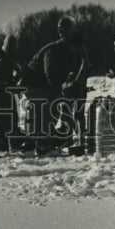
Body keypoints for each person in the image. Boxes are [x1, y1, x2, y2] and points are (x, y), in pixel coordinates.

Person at [25, 16, 77, 153]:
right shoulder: (54, 49)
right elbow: (50, 74)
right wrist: (60, 89)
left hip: (41, 86)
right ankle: (43, 145)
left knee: (50, 109)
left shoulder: (64, 50)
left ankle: (43, 141)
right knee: (46, 110)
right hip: (35, 86)